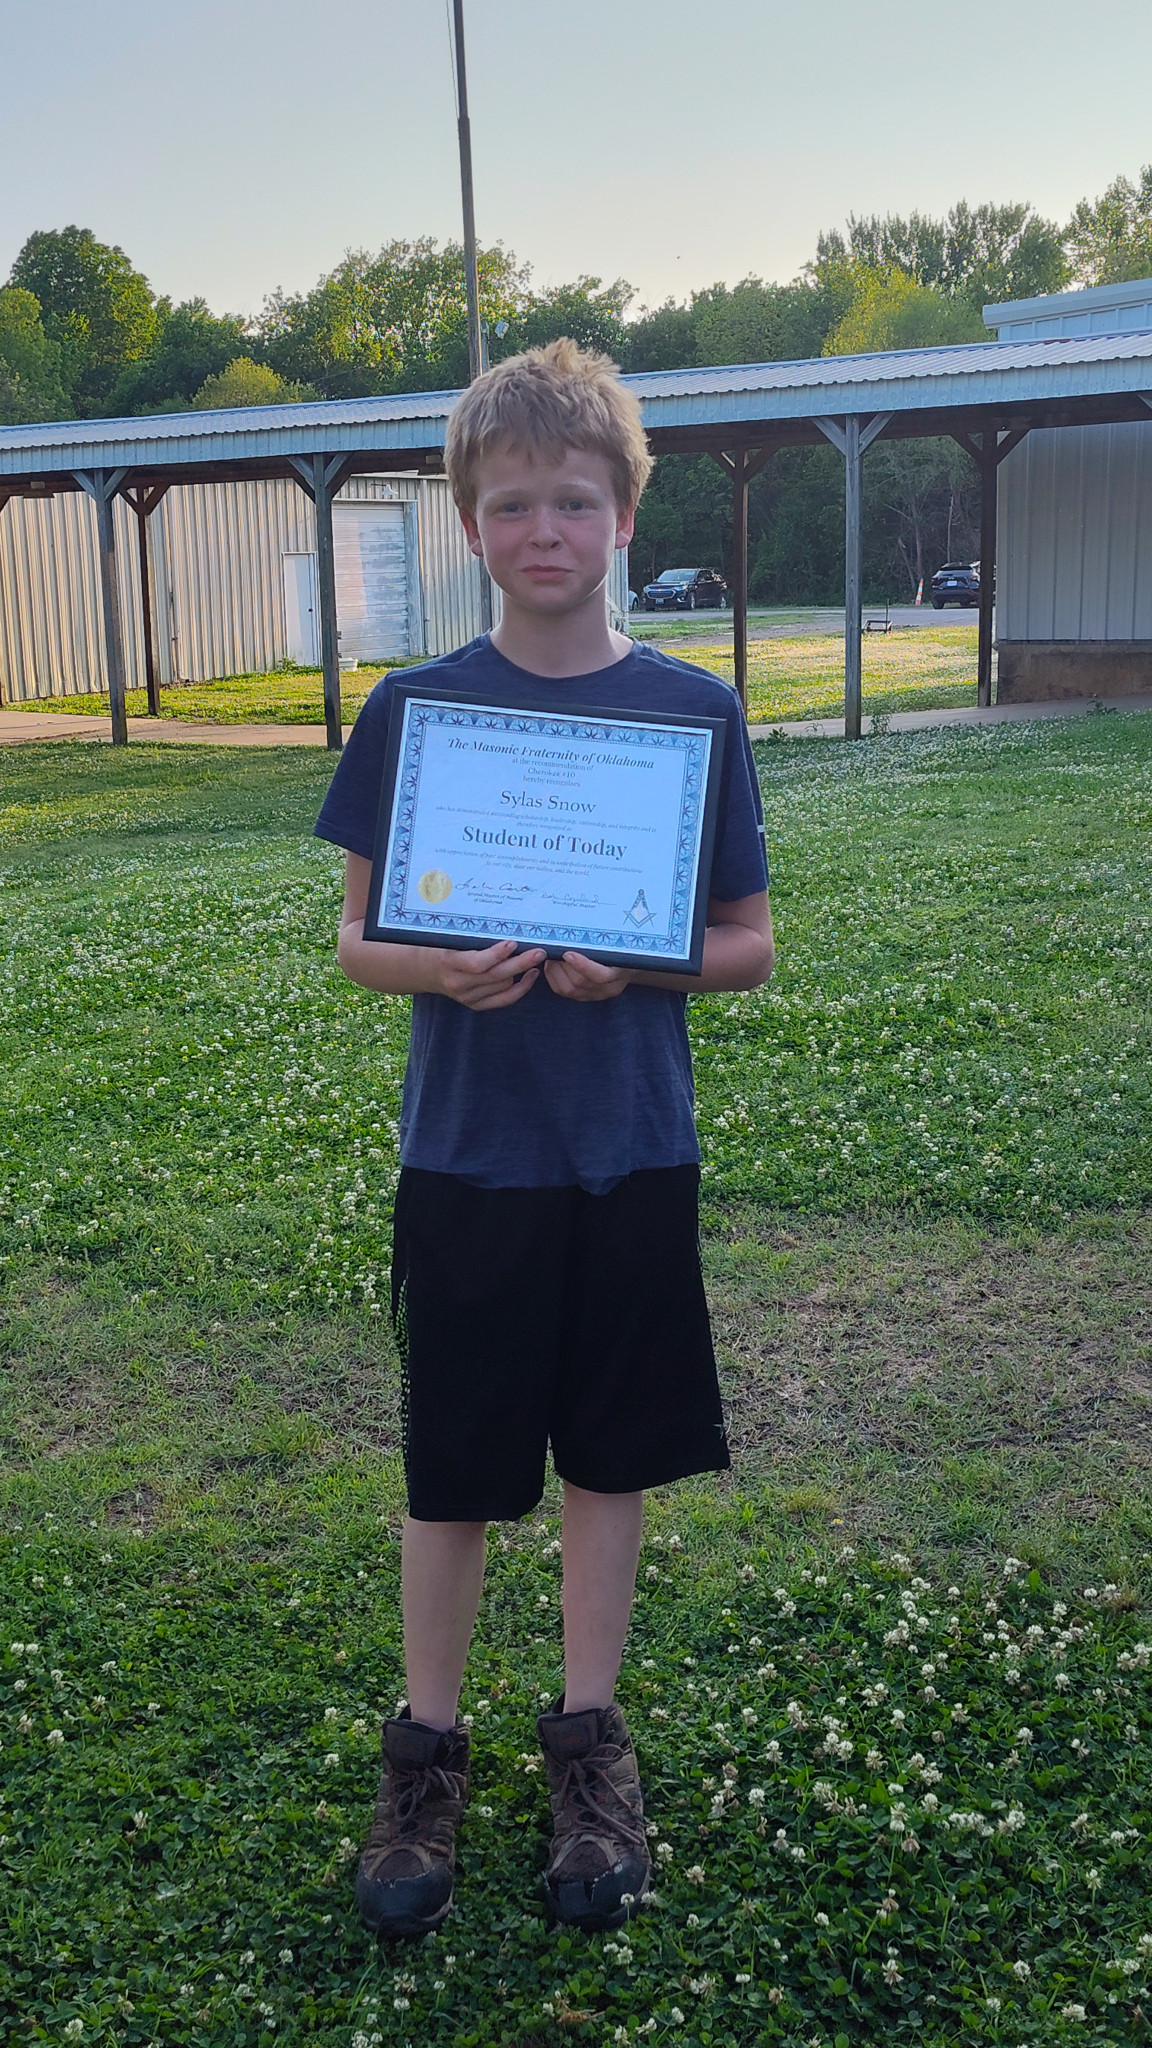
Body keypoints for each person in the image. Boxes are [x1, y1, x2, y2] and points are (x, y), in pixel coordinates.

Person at [314, 338, 774, 1941]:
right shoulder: (416, 710)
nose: (543, 531)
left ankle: (588, 1744)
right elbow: (360, 936)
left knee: (609, 1458)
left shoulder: (692, 712)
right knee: (454, 1466)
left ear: (625, 515)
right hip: (469, 1157)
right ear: (470, 525)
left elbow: (747, 944)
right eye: (510, 505)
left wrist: (638, 962)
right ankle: (425, 1752)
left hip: (628, 1149)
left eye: (573, 501)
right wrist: (437, 968)